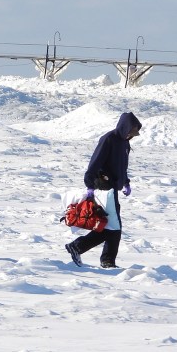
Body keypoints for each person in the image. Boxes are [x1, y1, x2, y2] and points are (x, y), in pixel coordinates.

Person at [65, 111, 142, 268]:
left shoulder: (125, 143)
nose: (131, 135)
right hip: (103, 186)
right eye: (130, 131)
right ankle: (87, 251)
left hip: (112, 188)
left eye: (133, 133)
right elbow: (95, 162)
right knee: (114, 226)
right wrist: (89, 185)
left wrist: (126, 182)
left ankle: (103, 258)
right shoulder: (108, 139)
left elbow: (122, 166)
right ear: (124, 127)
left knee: (110, 225)